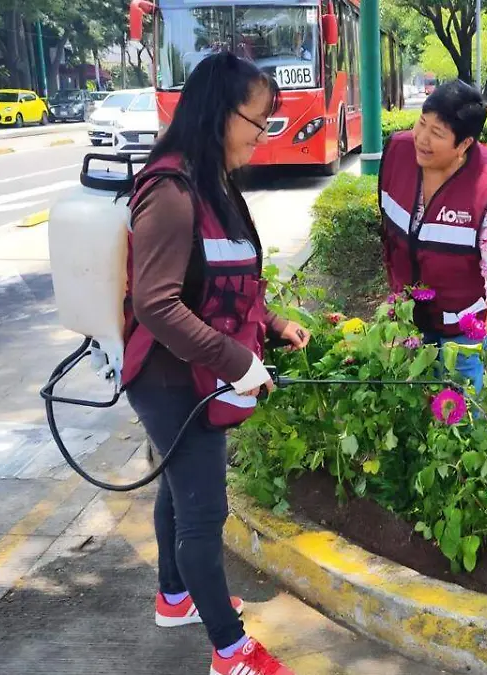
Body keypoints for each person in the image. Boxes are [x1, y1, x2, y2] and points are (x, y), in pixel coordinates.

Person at [119, 52, 308, 675]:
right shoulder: (170, 193)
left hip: (201, 372)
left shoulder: (214, 184)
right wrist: (237, 362)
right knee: (203, 514)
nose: (262, 135)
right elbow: (154, 303)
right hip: (172, 379)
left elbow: (227, 280)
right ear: (218, 114)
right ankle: (230, 651)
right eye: (257, 121)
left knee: (179, 490)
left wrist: (273, 326)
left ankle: (175, 597)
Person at [378, 79, 487, 393]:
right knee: (412, 406)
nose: (422, 139)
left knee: (457, 415)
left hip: (462, 325)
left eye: (437, 134)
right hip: (408, 319)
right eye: (422, 124)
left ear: (464, 144)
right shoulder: (397, 153)